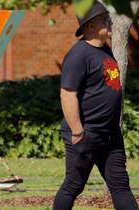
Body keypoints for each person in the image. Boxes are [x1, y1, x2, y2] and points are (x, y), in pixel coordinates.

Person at [53, 1, 139, 210]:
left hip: (109, 133)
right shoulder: (78, 56)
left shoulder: (105, 50)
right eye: (105, 19)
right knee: (73, 185)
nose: (110, 22)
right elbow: (67, 94)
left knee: (120, 185)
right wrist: (77, 131)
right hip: (87, 133)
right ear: (90, 25)